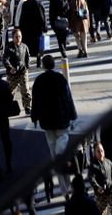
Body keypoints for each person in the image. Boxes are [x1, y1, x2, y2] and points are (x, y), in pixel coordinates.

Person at [32, 55, 77, 197]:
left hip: (47, 122)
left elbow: (35, 102)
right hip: (62, 119)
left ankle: (64, 188)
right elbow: (68, 98)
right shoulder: (60, 79)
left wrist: (34, 117)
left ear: (44, 66)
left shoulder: (39, 81)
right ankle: (68, 185)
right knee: (61, 152)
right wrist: (72, 115)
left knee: (54, 155)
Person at [3, 29, 31, 115]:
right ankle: (8, 108)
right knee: (9, 92)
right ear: (13, 37)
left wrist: (26, 67)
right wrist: (10, 68)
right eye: (16, 37)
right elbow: (5, 60)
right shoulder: (9, 48)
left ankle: (27, 108)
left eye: (19, 36)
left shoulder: (24, 47)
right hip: (12, 74)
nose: (18, 38)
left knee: (25, 91)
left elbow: (27, 58)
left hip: (22, 73)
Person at [87, 141, 112, 214]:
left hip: (111, 190)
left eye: (101, 150)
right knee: (101, 212)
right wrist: (97, 187)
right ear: (95, 153)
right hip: (101, 194)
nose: (100, 153)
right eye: (98, 151)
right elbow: (91, 178)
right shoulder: (93, 166)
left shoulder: (108, 162)